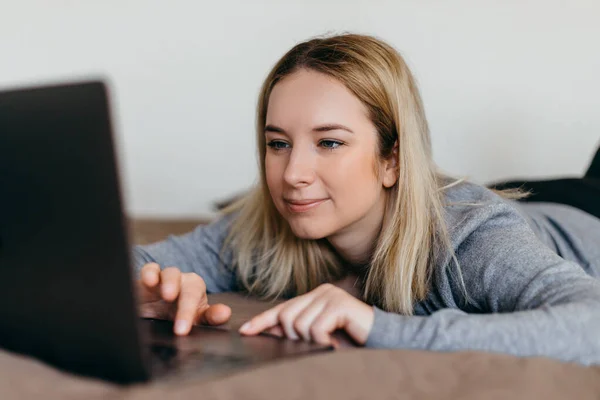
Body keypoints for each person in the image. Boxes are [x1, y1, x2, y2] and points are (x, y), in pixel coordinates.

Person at [132, 33, 600, 366]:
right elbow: (123, 263)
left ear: (392, 158)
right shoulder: (260, 227)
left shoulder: (472, 241)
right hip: (525, 200)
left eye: (329, 142)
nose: (293, 175)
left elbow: (590, 324)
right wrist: (144, 288)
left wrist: (379, 327)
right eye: (278, 144)